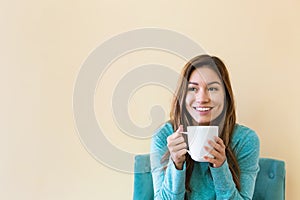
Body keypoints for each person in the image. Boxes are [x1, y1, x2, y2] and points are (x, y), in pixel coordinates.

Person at [150, 54, 260, 199]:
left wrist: (221, 167)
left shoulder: (245, 140)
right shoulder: (165, 136)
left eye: (212, 89)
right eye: (193, 89)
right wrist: (176, 164)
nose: (202, 99)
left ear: (225, 96)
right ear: (183, 96)